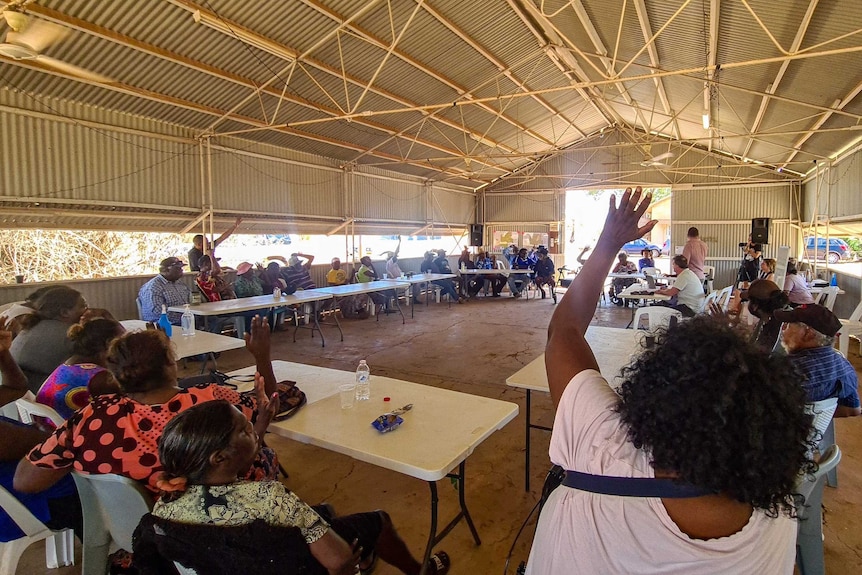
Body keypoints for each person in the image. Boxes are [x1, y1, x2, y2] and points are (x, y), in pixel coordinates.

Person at [528, 186, 816, 574]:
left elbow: (563, 332)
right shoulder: (776, 521)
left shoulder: (602, 442)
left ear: (650, 398)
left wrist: (609, 243)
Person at [135, 400, 451, 575]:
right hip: (290, 564)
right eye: (246, 430)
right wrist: (347, 567)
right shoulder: (268, 497)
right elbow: (338, 561)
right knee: (376, 520)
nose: (254, 431)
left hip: (233, 563)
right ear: (219, 457)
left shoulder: (166, 502)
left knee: (322, 514)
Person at [14, 317, 281, 495]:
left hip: (137, 536)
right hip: (219, 521)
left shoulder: (93, 414)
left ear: (114, 371)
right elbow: (269, 405)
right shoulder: (212, 400)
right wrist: (262, 356)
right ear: (170, 362)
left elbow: (24, 482)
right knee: (263, 452)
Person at [0, 317, 82, 544]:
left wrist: (3, 354)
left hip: (26, 488)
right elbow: (53, 445)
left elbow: (16, 388)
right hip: (24, 506)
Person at [775, 304, 860, 418]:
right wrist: (815, 415)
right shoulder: (845, 367)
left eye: (789, 325)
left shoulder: (784, 368)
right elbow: (853, 410)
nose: (783, 329)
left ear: (808, 334)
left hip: (776, 431)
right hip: (813, 433)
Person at [36, 318, 124, 420]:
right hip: (71, 432)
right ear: (109, 343)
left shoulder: (70, 364)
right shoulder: (100, 378)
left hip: (48, 427)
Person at [10, 286, 88, 394]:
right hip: (52, 400)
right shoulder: (72, 336)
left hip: (25, 402)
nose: (87, 310)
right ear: (64, 312)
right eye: (83, 306)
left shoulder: (29, 328)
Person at [138, 257, 190, 324]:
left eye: (181, 268)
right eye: (178, 268)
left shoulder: (180, 284)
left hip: (184, 321)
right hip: (163, 326)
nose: (181, 270)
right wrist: (186, 315)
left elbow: (190, 301)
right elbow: (157, 312)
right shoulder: (153, 287)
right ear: (166, 270)